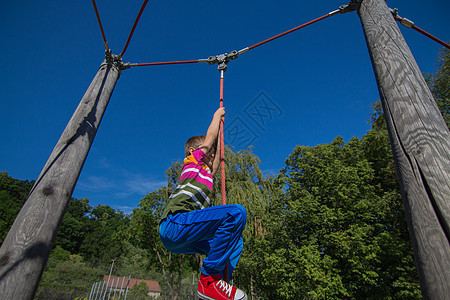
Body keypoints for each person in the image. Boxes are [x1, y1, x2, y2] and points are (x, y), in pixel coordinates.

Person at [159, 107, 248, 300]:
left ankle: (218, 285)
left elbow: (216, 164)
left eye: (214, 153)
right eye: (210, 152)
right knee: (236, 214)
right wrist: (217, 118)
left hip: (184, 238)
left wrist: (220, 146)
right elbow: (209, 139)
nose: (212, 155)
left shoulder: (208, 174)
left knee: (235, 243)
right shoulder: (191, 162)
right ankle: (209, 281)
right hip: (175, 223)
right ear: (194, 151)